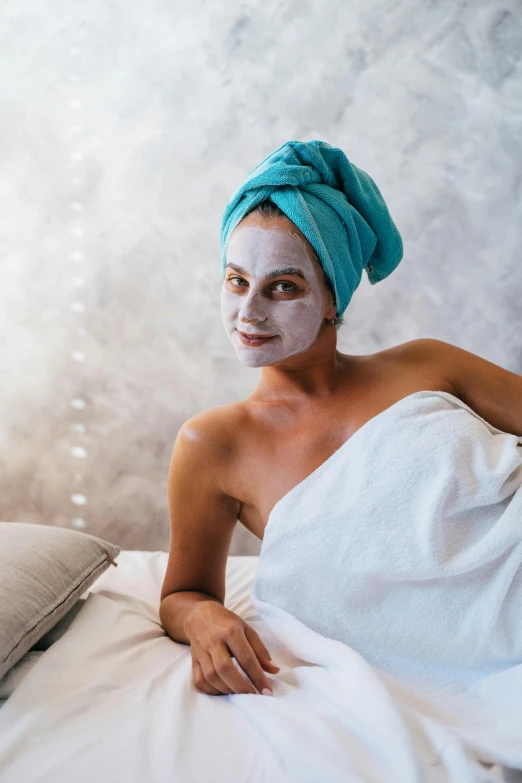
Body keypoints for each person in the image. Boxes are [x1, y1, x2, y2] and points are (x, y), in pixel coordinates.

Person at [159, 140, 522, 700]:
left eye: (284, 287)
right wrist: (205, 620)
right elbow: (182, 593)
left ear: (334, 296)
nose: (249, 311)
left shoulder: (430, 363)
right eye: (236, 281)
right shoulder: (213, 445)